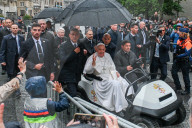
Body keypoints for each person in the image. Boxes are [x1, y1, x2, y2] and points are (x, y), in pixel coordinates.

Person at [83, 43, 134, 114]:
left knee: (124, 82)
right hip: (100, 80)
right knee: (116, 84)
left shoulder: (107, 55)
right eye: (100, 49)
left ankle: (128, 101)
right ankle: (119, 108)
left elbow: (112, 66)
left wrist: (116, 71)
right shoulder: (92, 57)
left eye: (103, 49)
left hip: (111, 75)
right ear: (96, 49)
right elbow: (87, 71)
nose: (101, 51)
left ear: (105, 49)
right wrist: (93, 64)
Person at [58, 28, 87, 97]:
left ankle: (71, 106)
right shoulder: (63, 45)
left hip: (77, 74)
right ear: (69, 35)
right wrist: (74, 53)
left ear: (78, 36)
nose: (74, 36)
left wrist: (84, 55)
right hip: (68, 74)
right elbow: (63, 59)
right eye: (72, 34)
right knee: (73, 94)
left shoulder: (81, 45)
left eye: (76, 35)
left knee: (75, 92)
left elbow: (82, 60)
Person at [171, 28, 192, 95]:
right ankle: (178, 87)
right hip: (177, 60)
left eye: (179, 32)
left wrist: (178, 56)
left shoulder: (188, 42)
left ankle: (187, 90)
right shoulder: (179, 40)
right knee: (173, 72)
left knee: (185, 76)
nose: (178, 32)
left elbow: (187, 53)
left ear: (183, 33)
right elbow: (176, 48)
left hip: (184, 61)